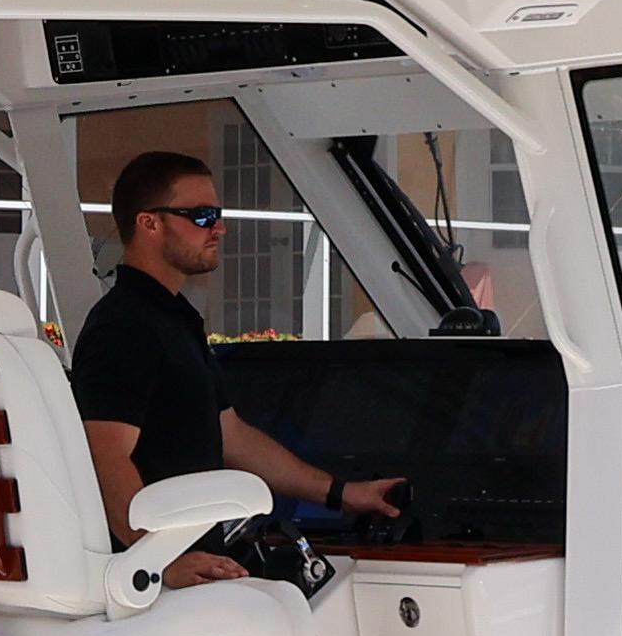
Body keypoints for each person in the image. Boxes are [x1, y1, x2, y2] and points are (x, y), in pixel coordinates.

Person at [69, 149, 398, 590]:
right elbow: (105, 453)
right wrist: (157, 563)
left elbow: (232, 437)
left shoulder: (172, 320)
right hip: (155, 586)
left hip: (188, 570)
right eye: (203, 216)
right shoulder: (123, 326)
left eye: (218, 215)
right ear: (149, 223)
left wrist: (343, 493)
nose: (219, 228)